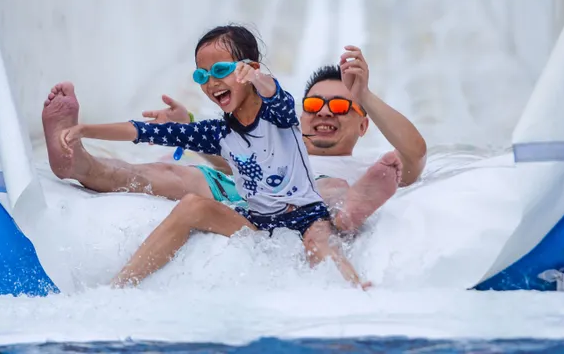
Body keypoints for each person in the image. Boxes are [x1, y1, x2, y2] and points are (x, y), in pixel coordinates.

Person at [50, 25, 369, 288]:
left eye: (220, 70)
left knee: (319, 234)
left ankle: (357, 293)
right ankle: (119, 287)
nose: (212, 82)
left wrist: (257, 79)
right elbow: (142, 131)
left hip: (304, 213)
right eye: (202, 76)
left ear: (249, 69)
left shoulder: (280, 115)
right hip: (258, 217)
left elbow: (276, 96)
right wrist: (85, 129)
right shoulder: (218, 132)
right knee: (191, 205)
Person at [42, 46, 426, 234]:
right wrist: (190, 131)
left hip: (309, 198)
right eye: (314, 103)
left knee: (332, 185)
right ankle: (79, 163)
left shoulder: (371, 166)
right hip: (245, 193)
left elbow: (415, 155)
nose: (325, 112)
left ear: (362, 125)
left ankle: (344, 212)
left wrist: (366, 96)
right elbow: (242, 168)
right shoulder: (276, 134)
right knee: (175, 172)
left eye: (341, 105)